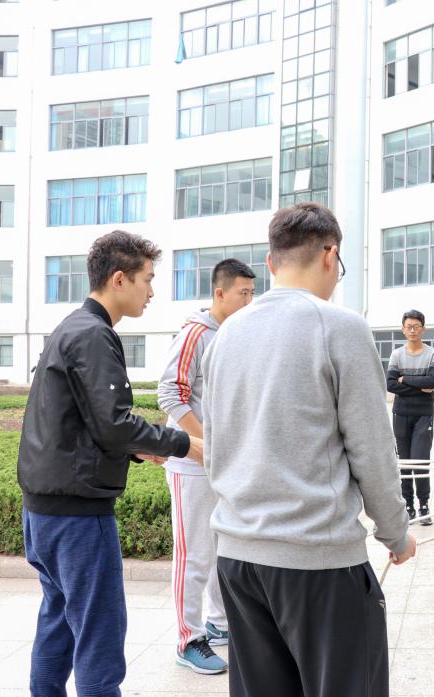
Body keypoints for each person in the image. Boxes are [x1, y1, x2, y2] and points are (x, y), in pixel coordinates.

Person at [201, 202, 416, 697]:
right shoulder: (339, 327)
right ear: (329, 255)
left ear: (271, 262)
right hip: (317, 562)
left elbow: (216, 447)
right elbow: (372, 450)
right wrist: (395, 533)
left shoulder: (227, 334)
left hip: (237, 559)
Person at [17, 230, 204, 697]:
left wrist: (138, 447)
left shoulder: (71, 327)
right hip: (78, 519)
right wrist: (188, 444)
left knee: (58, 625)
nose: (152, 291)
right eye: (147, 279)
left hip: (42, 512)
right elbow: (115, 424)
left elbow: (83, 423)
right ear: (119, 279)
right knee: (99, 634)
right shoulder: (94, 334)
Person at [157, 258, 256, 675]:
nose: (249, 301)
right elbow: (170, 394)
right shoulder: (195, 333)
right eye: (243, 294)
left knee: (220, 549)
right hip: (191, 464)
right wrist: (203, 444)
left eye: (252, 293)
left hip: (222, 464)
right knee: (194, 554)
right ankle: (188, 638)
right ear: (220, 293)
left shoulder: (234, 333)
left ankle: (217, 623)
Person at [386, 309, 434, 526]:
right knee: (404, 463)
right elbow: (391, 385)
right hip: (401, 414)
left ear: (423, 329)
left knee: (420, 461)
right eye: (408, 327)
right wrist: (419, 386)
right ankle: (408, 506)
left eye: (416, 326)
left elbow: (432, 382)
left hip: (424, 415)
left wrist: (405, 379)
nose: (412, 330)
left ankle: (424, 505)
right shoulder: (397, 355)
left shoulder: (433, 354)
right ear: (403, 329)